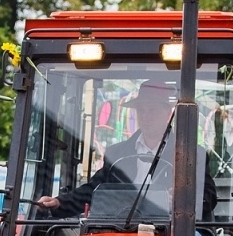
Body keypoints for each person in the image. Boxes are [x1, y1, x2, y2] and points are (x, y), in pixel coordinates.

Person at [35, 80, 218, 220]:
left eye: (152, 110)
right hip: (122, 229)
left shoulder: (191, 154)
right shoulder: (118, 153)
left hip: (174, 233)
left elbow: (208, 197)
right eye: (141, 110)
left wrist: (181, 200)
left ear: (168, 113)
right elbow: (94, 190)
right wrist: (60, 202)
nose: (146, 116)